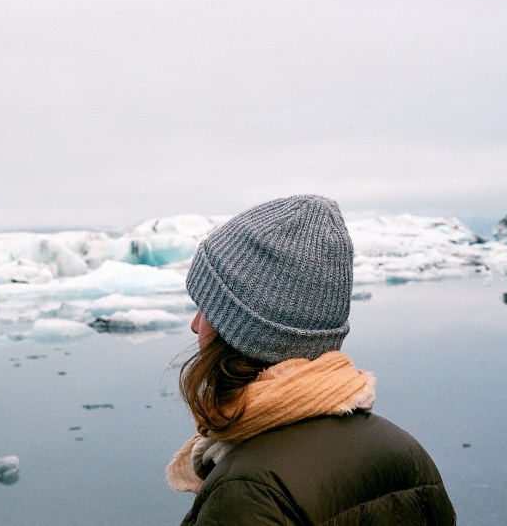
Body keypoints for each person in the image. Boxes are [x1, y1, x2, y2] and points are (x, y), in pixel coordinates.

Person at [167, 195, 455, 525]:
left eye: (208, 309)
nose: (195, 324)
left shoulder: (248, 491)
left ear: (241, 331)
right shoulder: (405, 453)